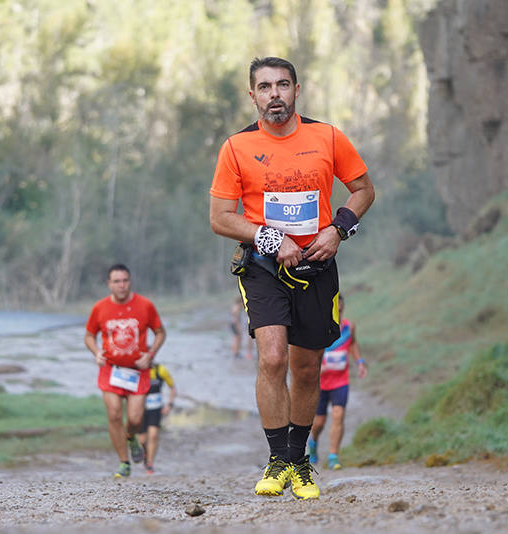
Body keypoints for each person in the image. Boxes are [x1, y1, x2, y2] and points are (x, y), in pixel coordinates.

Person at [209, 56, 375, 499]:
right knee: (272, 358)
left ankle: (300, 462)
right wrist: (268, 236)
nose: (274, 94)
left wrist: (337, 229)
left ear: (296, 90)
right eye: (264, 87)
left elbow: (363, 189)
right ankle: (277, 459)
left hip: (317, 264)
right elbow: (220, 218)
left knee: (306, 367)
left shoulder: (328, 136)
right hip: (263, 266)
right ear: (253, 96)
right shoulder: (236, 147)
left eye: (282, 85)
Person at [84, 264, 166, 478]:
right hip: (111, 370)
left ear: (130, 281)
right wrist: (96, 353)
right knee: (113, 415)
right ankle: (123, 463)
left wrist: (150, 355)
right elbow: (89, 335)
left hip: (137, 372)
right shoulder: (100, 308)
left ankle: (131, 438)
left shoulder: (145, 305)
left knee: (135, 420)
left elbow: (160, 333)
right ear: (109, 284)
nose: (121, 285)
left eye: (125, 280)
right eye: (117, 281)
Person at [307, 296, 367, 469]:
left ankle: (333, 456)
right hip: (320, 382)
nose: (338, 309)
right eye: (335, 307)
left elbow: (353, 344)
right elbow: (309, 353)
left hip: (341, 381)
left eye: (340, 307)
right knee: (318, 423)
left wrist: (360, 362)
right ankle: (313, 442)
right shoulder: (319, 328)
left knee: (338, 415)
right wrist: (318, 367)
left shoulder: (349, 327)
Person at [135, 362, 177, 474]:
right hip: (140, 409)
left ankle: (149, 463)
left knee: (153, 435)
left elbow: (172, 388)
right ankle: (145, 454)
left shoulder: (160, 370)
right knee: (142, 440)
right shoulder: (136, 370)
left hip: (156, 409)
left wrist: (169, 405)